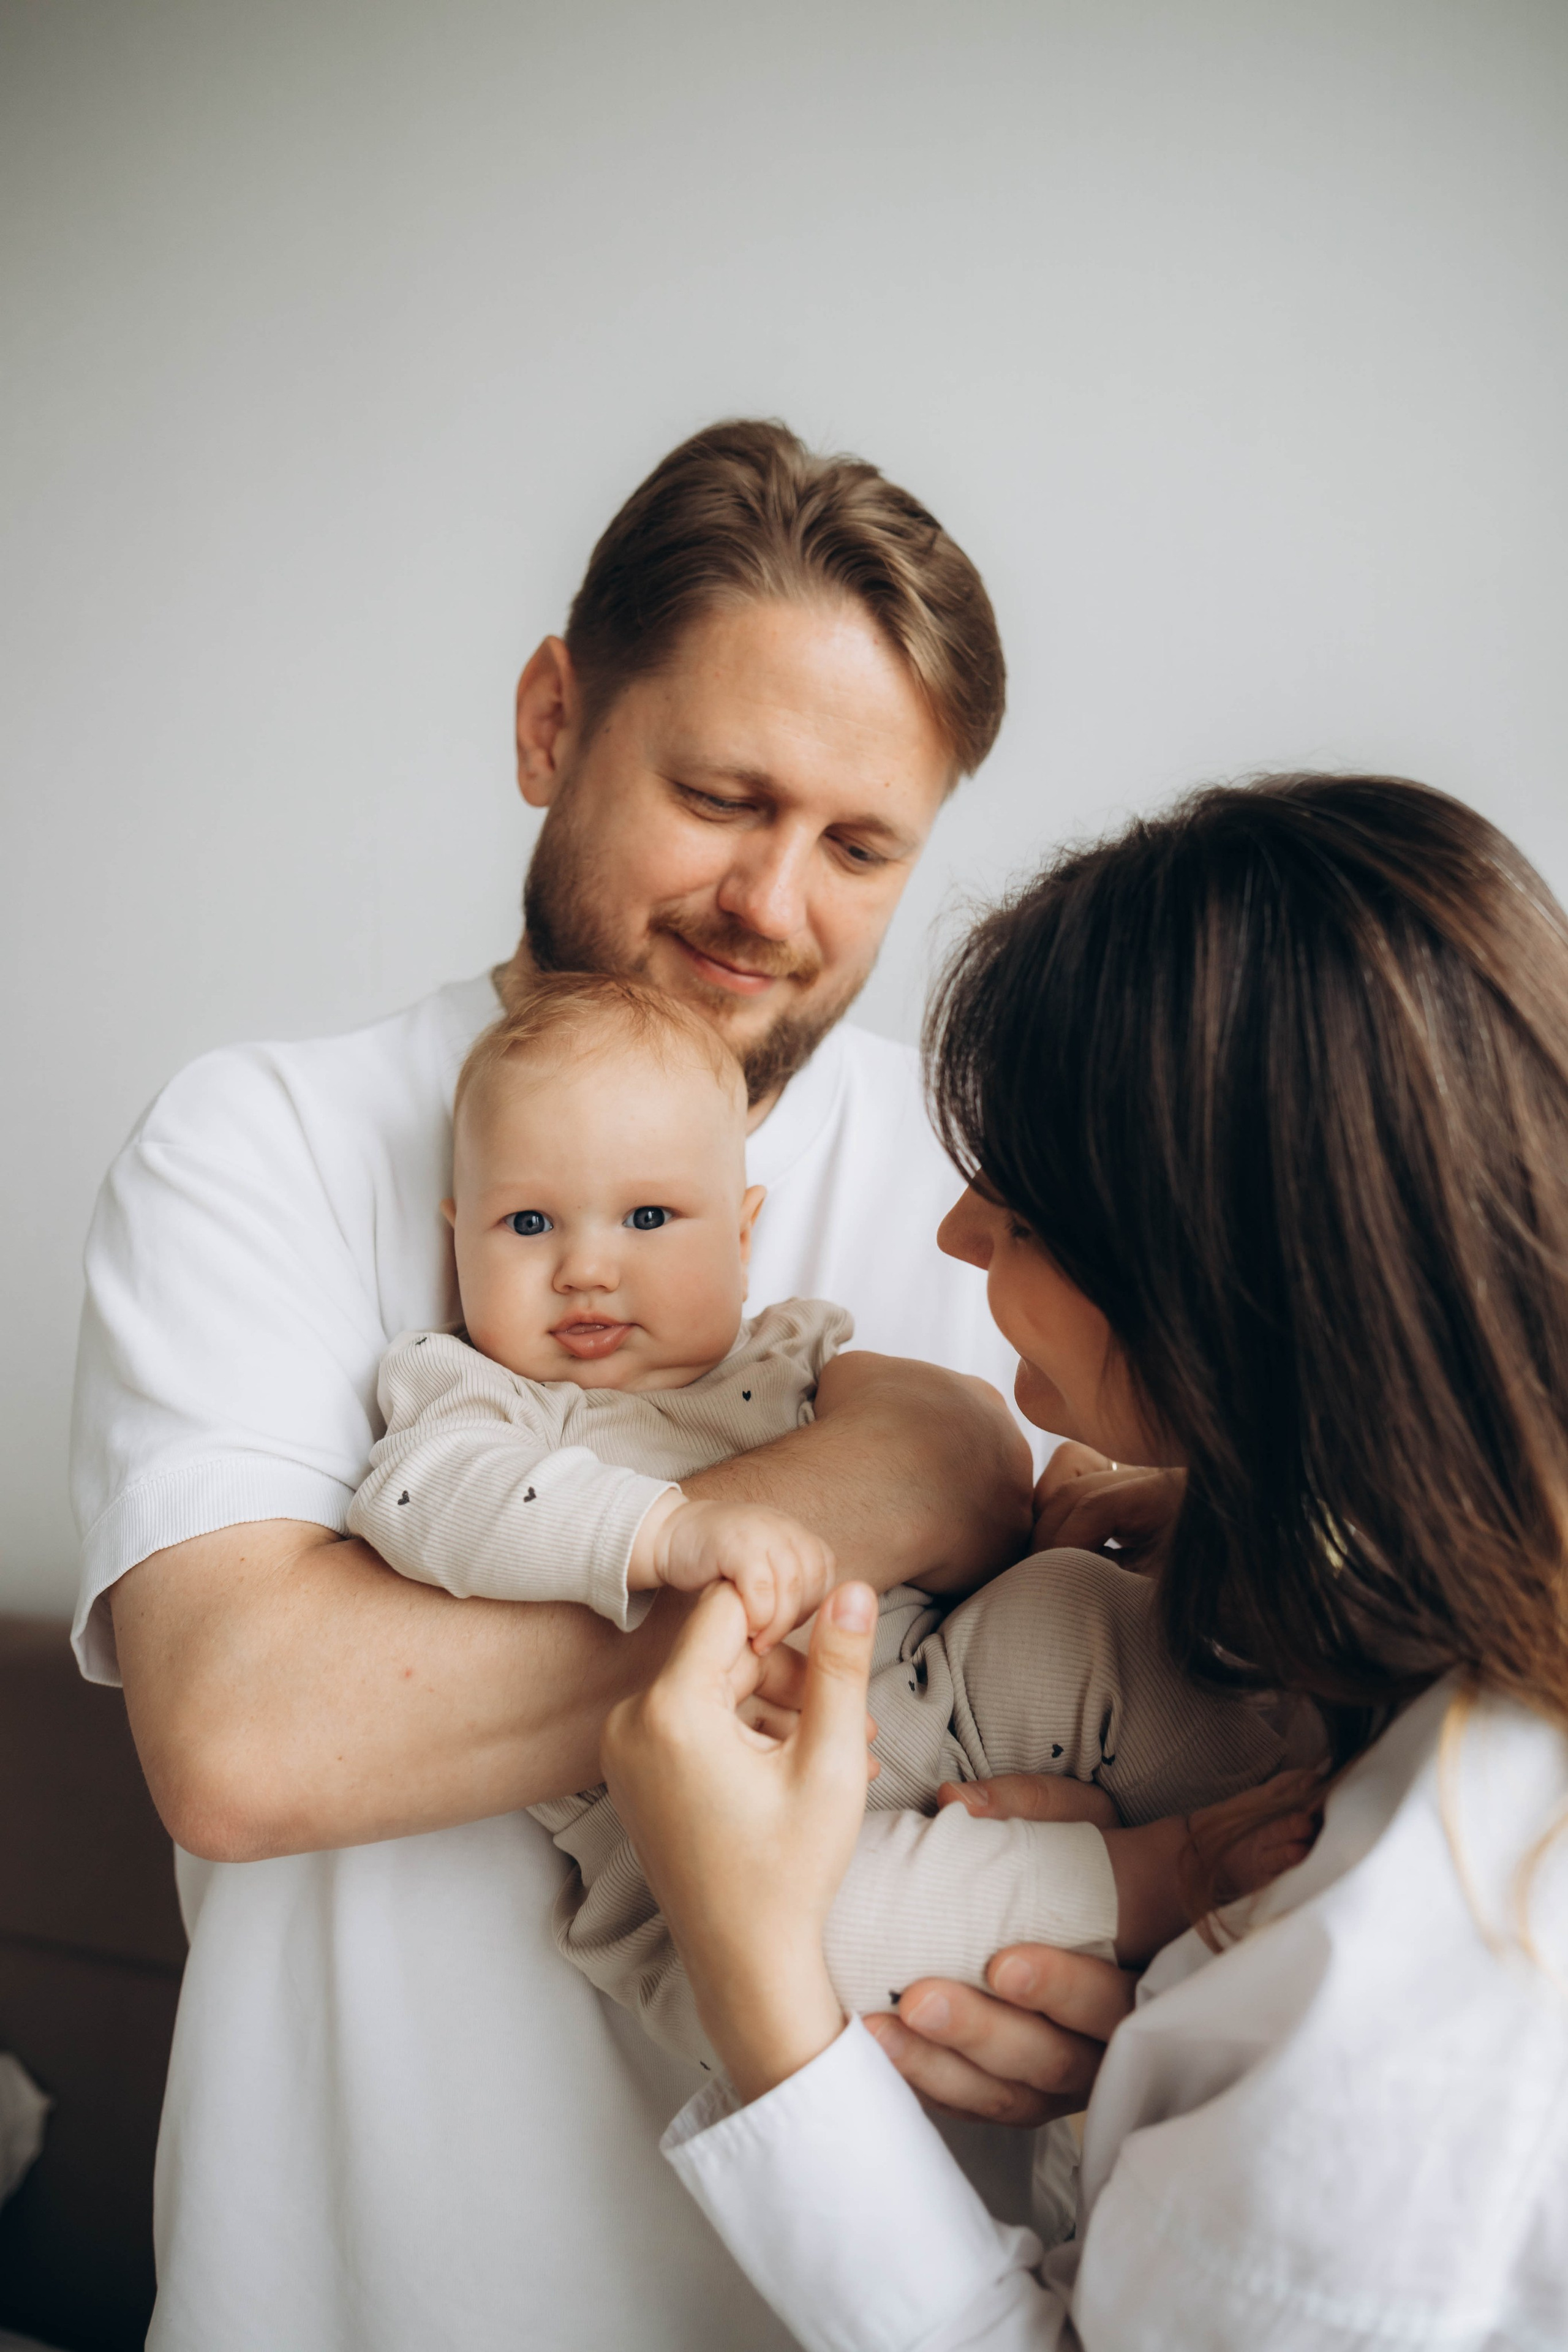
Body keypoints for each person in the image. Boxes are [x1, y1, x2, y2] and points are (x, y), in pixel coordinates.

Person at [70, 418, 1107, 2351]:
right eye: (722, 797)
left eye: (861, 846)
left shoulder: (996, 1198)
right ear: (554, 720)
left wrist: (1091, 1929)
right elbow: (247, 1737)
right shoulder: (259, 1143)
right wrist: (888, 1495)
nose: (773, 902)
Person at [604, 773, 1568, 2350]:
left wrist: (758, 1980)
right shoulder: (1386, 1654)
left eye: (1026, 1210)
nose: (954, 1236)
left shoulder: (1449, 1952)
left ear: (1225, 1285)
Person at [352, 970, 1294, 2068]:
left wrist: (1070, 1514)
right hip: (708, 1846)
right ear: (458, 1238)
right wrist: (663, 1531)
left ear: (743, 1232)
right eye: (527, 1223)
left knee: (1076, 1607)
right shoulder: (482, 1395)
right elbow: (425, 1500)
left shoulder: (797, 1355)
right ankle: (1161, 1879)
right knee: (821, 1940)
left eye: (649, 1218)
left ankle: (1287, 1795)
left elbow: (972, 1478)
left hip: (934, 1695)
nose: (587, 1269)